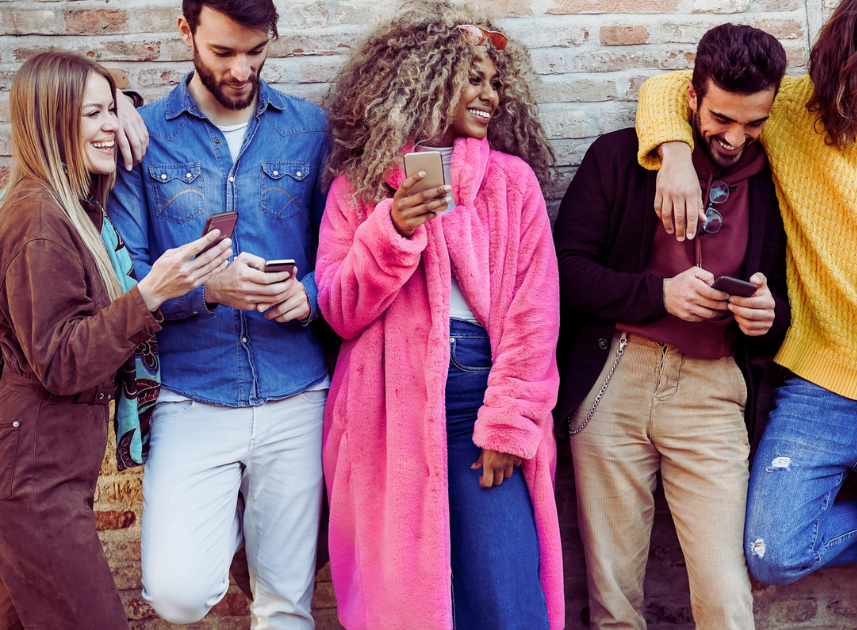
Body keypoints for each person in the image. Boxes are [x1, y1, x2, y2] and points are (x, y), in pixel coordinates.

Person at [635, 0, 857, 625]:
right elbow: (668, 88)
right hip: (817, 384)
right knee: (770, 554)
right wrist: (677, 155)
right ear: (842, 60)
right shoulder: (795, 113)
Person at [315, 2, 562, 628]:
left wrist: (507, 425)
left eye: (495, 82)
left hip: (482, 401)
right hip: (388, 408)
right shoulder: (358, 188)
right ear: (423, 80)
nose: (490, 95)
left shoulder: (511, 184)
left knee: (507, 597)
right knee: (408, 604)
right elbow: (339, 311)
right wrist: (392, 229)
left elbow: (535, 315)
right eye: (473, 79)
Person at [555, 24, 789, 630]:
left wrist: (767, 316)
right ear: (691, 96)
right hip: (616, 376)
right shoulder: (618, 157)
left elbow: (785, 300)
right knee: (613, 603)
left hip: (712, 391)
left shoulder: (775, 181)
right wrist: (659, 294)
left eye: (754, 124)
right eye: (721, 119)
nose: (735, 138)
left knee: (726, 597)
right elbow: (566, 271)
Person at [107, 0, 331, 626]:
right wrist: (207, 289)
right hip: (190, 392)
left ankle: (255, 532)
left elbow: (340, 248)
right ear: (186, 31)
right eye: (223, 52)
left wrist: (311, 293)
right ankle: (227, 522)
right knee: (177, 594)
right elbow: (127, 275)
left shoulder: (309, 129)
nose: (241, 70)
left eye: (256, 52)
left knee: (286, 604)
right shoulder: (144, 136)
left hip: (296, 389)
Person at [0, 51, 230, 630]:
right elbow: (60, 362)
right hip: (34, 476)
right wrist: (150, 294)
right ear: (52, 120)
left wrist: (124, 103)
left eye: (112, 111)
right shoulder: (40, 222)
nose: (110, 127)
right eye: (92, 114)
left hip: (43, 466)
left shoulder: (69, 207)